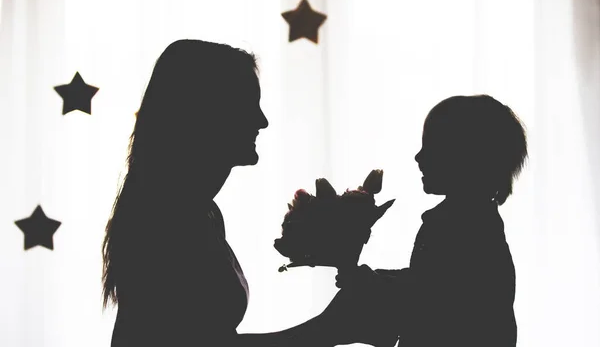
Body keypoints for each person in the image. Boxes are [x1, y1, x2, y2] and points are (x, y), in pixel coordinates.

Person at [101, 39, 368, 347]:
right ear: (206, 113)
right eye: (248, 105)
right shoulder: (165, 221)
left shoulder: (202, 212)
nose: (262, 121)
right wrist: (330, 329)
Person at [334, 94, 527, 347]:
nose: (418, 157)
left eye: (432, 147)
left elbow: (432, 298)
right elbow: (428, 281)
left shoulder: (465, 228)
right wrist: (375, 280)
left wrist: (373, 284)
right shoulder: (471, 221)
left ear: (466, 156)